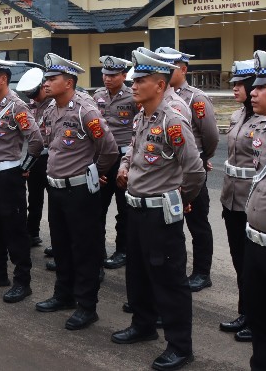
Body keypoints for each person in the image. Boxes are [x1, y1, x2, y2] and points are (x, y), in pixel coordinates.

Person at [111, 49, 205, 371]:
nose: (133, 86)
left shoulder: (173, 121)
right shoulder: (142, 117)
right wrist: (125, 168)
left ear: (160, 85)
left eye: (141, 81)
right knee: (137, 272)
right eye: (133, 80)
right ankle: (143, 325)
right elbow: (132, 152)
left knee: (169, 279)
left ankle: (180, 346)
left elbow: (194, 171)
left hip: (160, 214)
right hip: (136, 209)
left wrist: (182, 200)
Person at [35, 53, 118, 331]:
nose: (46, 83)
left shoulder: (86, 110)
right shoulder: (50, 109)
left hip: (80, 192)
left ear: (68, 82)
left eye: (52, 78)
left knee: (84, 249)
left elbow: (108, 150)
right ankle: (64, 294)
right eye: (46, 78)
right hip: (57, 190)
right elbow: (50, 144)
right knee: (61, 246)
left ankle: (86, 306)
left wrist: (97, 174)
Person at [0, 55, 43, 303]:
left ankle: (23, 282)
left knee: (15, 230)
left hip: (8, 176)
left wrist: (24, 167)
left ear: (3, 79)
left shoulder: (17, 107)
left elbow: (36, 141)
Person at [154, 46, 219, 292]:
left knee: (197, 222)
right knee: (170, 225)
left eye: (170, 68)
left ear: (182, 69)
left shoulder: (196, 98)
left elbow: (211, 136)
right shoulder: (158, 95)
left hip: (191, 166)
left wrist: (202, 158)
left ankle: (202, 272)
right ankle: (172, 270)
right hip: (168, 168)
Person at [219, 59, 264, 343]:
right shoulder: (237, 116)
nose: (235, 88)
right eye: (233, 84)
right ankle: (245, 312)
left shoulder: (265, 120)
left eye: (240, 84)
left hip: (254, 201)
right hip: (231, 199)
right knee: (239, 262)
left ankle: (257, 319)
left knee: (254, 266)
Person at [94, 56, 136, 270]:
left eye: (113, 75)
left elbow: (138, 131)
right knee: (98, 207)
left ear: (124, 76)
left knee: (124, 210)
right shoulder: (98, 95)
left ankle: (122, 251)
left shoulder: (132, 97)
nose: (107, 79)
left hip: (123, 158)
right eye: (105, 74)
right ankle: (98, 251)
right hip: (102, 158)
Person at [245, 49, 266, 371]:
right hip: (256, 243)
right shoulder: (262, 128)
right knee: (260, 324)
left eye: (262, 86)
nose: (253, 91)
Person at [16, 67, 51, 249]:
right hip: (35, 158)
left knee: (55, 202)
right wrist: (26, 164)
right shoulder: (29, 105)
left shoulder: (54, 104)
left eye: (36, 93)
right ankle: (32, 233)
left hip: (52, 158)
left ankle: (57, 242)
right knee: (35, 199)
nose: (34, 97)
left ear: (44, 87)